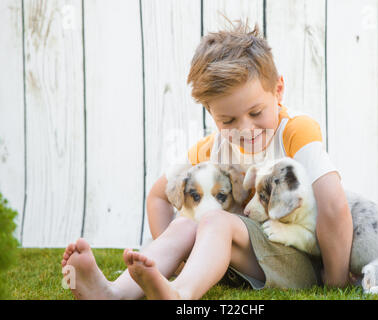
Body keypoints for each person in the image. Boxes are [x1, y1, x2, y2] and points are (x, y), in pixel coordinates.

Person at [61, 19, 353, 300]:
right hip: (242, 260)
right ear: (211, 114)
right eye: (228, 119)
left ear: (277, 91)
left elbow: (333, 205)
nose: (245, 129)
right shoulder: (215, 147)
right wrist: (178, 259)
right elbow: (159, 197)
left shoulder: (295, 131)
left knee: (216, 220)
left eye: (255, 113)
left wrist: (336, 280)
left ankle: (181, 294)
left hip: (298, 259)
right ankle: (114, 293)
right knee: (185, 225)